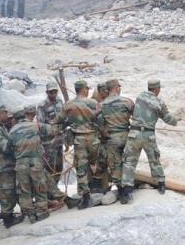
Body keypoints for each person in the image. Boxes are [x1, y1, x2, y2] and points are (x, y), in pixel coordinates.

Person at [121, 79, 178, 203]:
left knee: (129, 161)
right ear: (157, 89)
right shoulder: (159, 103)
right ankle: (161, 184)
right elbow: (168, 119)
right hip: (148, 135)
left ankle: (127, 191)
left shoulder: (140, 97)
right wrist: (177, 120)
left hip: (134, 134)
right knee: (154, 159)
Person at [55, 80, 100, 209]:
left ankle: (85, 197)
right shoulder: (93, 103)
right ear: (84, 89)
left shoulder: (68, 105)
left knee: (81, 168)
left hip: (79, 140)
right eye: (87, 89)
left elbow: (59, 120)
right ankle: (96, 188)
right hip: (93, 139)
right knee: (94, 164)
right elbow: (101, 119)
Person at [10, 107, 54, 223]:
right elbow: (51, 131)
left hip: (20, 164)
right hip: (35, 162)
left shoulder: (12, 131)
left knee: (24, 190)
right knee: (39, 186)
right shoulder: (35, 125)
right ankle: (41, 212)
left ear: (15, 119)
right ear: (25, 115)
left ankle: (30, 215)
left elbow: (9, 148)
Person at [99, 79, 134, 201]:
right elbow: (136, 118)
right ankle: (129, 190)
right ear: (117, 88)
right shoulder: (127, 101)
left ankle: (121, 192)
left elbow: (100, 125)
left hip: (112, 139)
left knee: (115, 166)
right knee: (128, 163)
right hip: (127, 136)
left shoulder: (101, 105)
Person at [36, 82, 66, 201]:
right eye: (51, 92)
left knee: (59, 167)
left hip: (59, 140)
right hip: (48, 142)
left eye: (55, 91)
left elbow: (64, 117)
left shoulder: (60, 102)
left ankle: (55, 190)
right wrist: (51, 129)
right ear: (47, 93)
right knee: (50, 168)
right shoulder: (42, 105)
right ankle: (50, 194)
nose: (53, 94)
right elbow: (40, 124)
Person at [0, 105, 23, 228]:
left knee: (10, 189)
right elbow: (4, 147)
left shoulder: (1, 127)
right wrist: (18, 142)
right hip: (2, 165)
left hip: (6, 164)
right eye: (4, 112)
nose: (7, 115)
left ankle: (9, 214)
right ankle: (7, 218)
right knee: (6, 191)